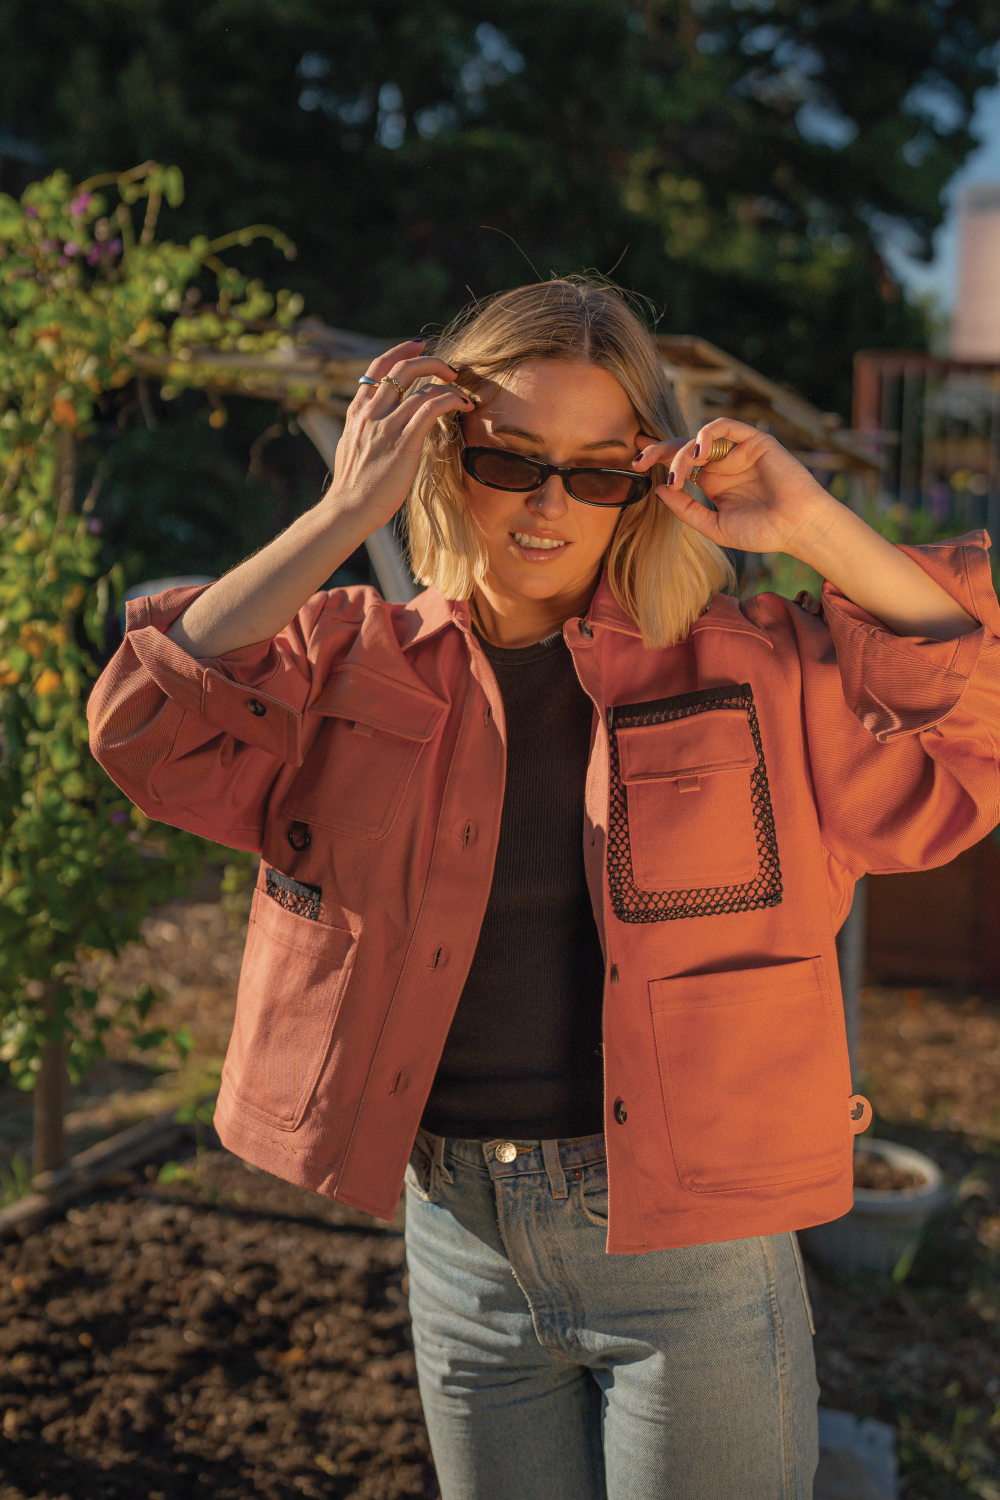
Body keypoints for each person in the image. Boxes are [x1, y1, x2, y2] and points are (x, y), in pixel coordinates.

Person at [87, 278, 1000, 1499]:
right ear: (440, 450)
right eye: (508, 459)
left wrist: (811, 520)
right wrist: (342, 508)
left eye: (595, 470)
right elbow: (144, 730)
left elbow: (969, 728)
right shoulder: (349, 661)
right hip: (460, 1246)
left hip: (696, 1252)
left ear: (642, 479)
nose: (549, 505)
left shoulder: (755, 662)